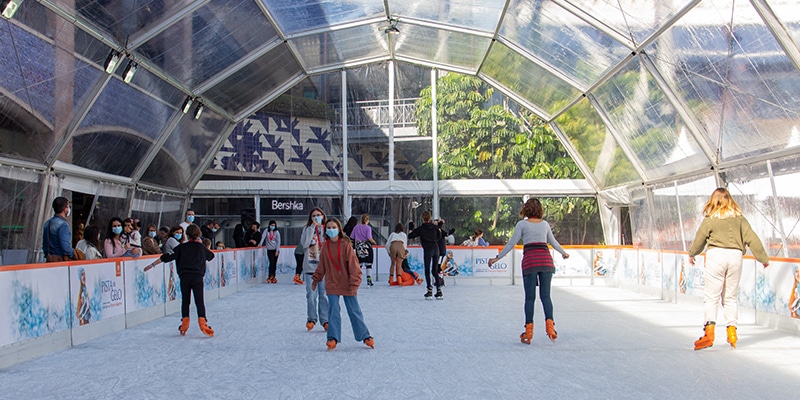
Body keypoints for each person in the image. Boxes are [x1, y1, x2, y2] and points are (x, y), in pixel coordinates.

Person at [688, 187, 769, 350]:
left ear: (713, 201)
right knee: (730, 297)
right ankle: (732, 333)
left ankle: (709, 334)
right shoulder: (740, 219)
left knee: (711, 297)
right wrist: (763, 258)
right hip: (735, 257)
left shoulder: (710, 219)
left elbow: (699, 239)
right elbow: (752, 239)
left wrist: (692, 253)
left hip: (716, 256)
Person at [488, 198, 569, 344]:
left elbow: (511, 243)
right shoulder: (545, 224)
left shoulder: (522, 224)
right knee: (546, 296)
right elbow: (553, 242)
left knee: (530, 298)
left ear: (526, 209)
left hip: (530, 262)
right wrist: (563, 253)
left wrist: (497, 258)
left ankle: (528, 332)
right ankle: (551, 328)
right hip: (546, 261)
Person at [311, 217, 374, 351]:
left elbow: (353, 265)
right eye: (329, 228)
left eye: (334, 227)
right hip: (332, 283)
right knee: (333, 310)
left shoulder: (345, 245)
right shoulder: (325, 247)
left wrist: (354, 282)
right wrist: (316, 279)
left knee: (354, 310)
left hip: (347, 283)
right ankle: (332, 337)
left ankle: (365, 335)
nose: (331, 230)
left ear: (339, 229)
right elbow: (322, 266)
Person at [145, 224, 215, 337]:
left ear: (186, 235)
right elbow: (211, 256)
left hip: (184, 277)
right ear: (199, 235)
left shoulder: (181, 248)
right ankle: (203, 323)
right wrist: (203, 247)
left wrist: (152, 264)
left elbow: (167, 257)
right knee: (199, 301)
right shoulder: (201, 248)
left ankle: (184, 324)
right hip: (197, 277)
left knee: (185, 301)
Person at [300, 207, 329, 331]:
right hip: (310, 267)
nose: (316, 217)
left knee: (324, 295)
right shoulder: (307, 229)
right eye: (314, 215)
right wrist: (312, 227)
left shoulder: (328, 229)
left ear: (323, 216)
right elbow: (305, 244)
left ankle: (325, 320)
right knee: (311, 295)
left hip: (324, 268)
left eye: (318, 215)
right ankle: (311, 318)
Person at [408, 211, 442, 299]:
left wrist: (411, 227)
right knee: (434, 270)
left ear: (422, 218)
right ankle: (439, 290)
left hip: (428, 250)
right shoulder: (435, 227)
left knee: (427, 270)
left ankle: (429, 290)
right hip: (436, 249)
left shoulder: (421, 228)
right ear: (430, 218)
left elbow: (410, 235)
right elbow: (439, 236)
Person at [42, 196, 74, 262]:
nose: (69, 209)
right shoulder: (63, 225)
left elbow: (44, 244)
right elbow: (65, 247)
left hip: (49, 259)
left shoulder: (47, 223)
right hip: (59, 259)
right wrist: (73, 254)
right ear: (64, 209)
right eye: (68, 206)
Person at [350, 214, 377, 287]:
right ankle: (369, 280)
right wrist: (374, 242)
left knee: (359, 264)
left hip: (359, 246)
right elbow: (369, 237)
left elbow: (352, 236)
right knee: (369, 264)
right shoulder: (368, 228)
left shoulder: (356, 227)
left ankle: (357, 279)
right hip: (366, 246)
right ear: (367, 220)